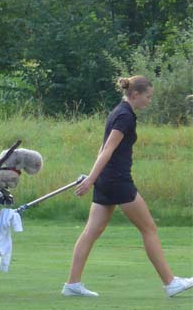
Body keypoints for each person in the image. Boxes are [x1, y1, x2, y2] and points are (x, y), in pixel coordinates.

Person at [62, 75, 193, 298]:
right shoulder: (125, 117)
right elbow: (108, 149)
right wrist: (92, 178)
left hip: (107, 179)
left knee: (91, 231)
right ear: (135, 95)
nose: (149, 101)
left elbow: (102, 148)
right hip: (117, 181)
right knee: (149, 228)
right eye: (147, 97)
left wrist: (95, 176)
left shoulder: (119, 111)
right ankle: (170, 283)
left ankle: (72, 285)